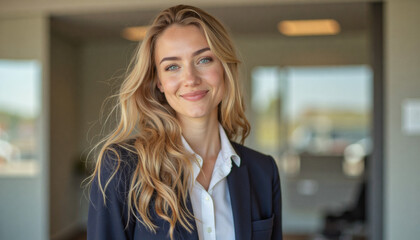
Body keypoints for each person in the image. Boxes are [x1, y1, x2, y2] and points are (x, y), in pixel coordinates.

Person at [87, 4, 282, 240]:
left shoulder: (263, 171)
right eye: (172, 67)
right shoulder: (121, 167)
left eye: (204, 60)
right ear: (159, 82)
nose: (190, 78)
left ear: (224, 67)